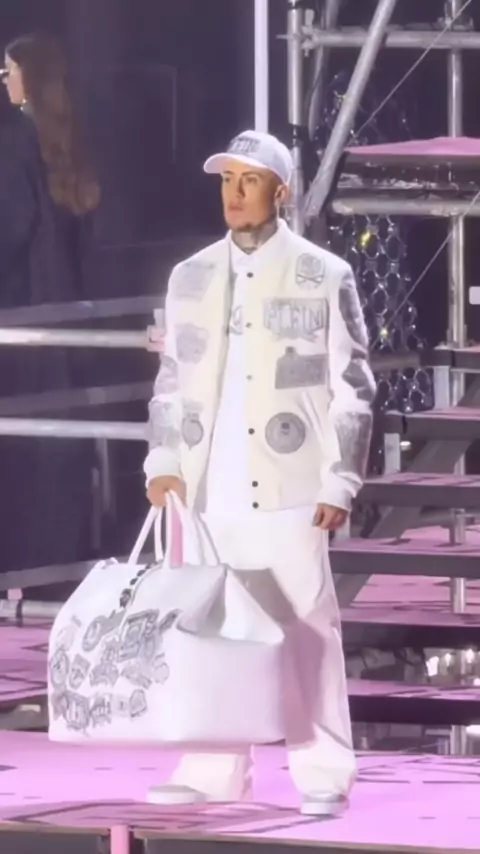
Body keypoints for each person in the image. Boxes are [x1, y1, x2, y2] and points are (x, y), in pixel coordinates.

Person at [144, 130, 376, 816]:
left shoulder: (323, 273)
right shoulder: (190, 275)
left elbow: (353, 386)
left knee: (306, 627)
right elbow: (171, 379)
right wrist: (163, 461)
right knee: (210, 626)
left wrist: (341, 479)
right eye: (227, 180)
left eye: (249, 181)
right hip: (207, 486)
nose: (235, 194)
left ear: (280, 190)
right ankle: (214, 768)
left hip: (290, 485)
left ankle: (323, 770)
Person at [0, 34, 99, 575]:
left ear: (29, 77)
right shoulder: (66, 139)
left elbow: (11, 230)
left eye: (9, 70)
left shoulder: (14, 140)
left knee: (24, 452)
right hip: (63, 316)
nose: (3, 80)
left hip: (21, 314)